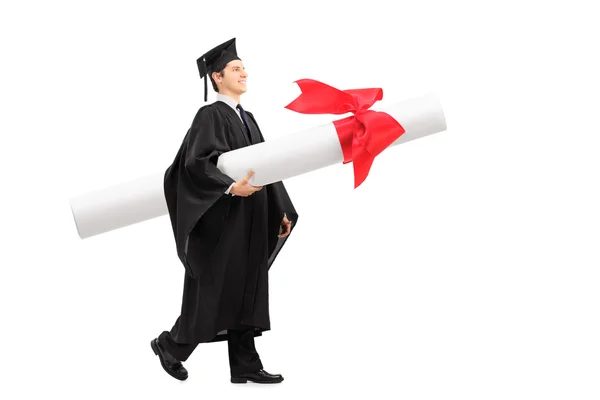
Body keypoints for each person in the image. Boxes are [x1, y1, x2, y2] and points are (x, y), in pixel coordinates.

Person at [150, 37, 298, 385]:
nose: (244, 72)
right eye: (236, 68)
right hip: (223, 219)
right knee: (215, 289)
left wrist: (280, 210)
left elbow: (267, 164)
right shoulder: (209, 116)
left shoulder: (248, 118)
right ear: (217, 77)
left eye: (243, 67)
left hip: (251, 217)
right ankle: (171, 345)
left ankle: (245, 363)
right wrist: (231, 187)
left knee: (247, 285)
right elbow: (194, 165)